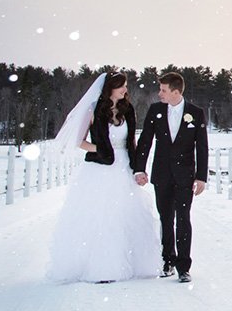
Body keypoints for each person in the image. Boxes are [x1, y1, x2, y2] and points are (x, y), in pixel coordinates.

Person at [46, 72, 162, 283]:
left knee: (126, 214)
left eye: (126, 86)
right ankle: (102, 267)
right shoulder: (93, 110)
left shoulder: (128, 110)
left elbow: (132, 143)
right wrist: (99, 149)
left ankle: (133, 263)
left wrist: (138, 169)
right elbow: (78, 140)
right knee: (102, 215)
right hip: (101, 169)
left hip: (124, 166)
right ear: (110, 88)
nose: (126, 90)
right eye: (122, 86)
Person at [133, 71, 209, 283]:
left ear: (176, 92)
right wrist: (140, 169)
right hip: (162, 174)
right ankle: (168, 261)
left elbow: (202, 147)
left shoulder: (196, 113)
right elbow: (146, 141)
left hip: (185, 176)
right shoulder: (155, 110)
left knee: (184, 219)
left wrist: (201, 176)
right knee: (166, 218)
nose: (160, 94)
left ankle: (183, 267)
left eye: (164, 90)